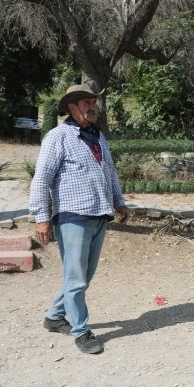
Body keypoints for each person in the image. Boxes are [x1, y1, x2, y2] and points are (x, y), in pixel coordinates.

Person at [29, 83, 130, 354]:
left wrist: (119, 202)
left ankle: (53, 317)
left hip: (99, 214)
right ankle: (81, 331)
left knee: (84, 275)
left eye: (93, 102)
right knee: (76, 279)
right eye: (86, 103)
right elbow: (42, 179)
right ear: (72, 108)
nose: (92, 107)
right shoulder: (57, 137)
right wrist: (41, 217)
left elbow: (110, 171)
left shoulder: (97, 136)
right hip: (72, 216)